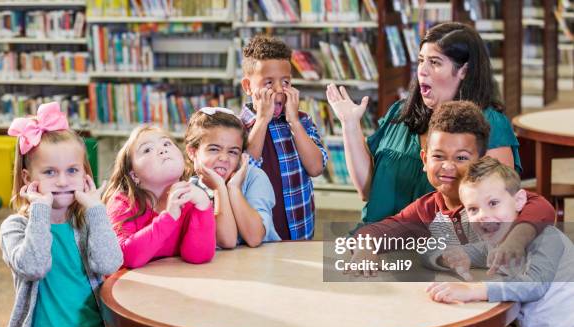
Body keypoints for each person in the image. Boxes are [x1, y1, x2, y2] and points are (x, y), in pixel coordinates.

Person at [346, 101, 554, 327]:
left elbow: (542, 208)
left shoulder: (498, 203)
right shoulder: (427, 209)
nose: (448, 166)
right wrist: (365, 247)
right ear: (424, 160)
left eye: (461, 158)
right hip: (447, 324)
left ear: (480, 163)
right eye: (438, 156)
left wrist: (515, 239)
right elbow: (378, 230)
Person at [326, 22, 521, 227]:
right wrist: (350, 125)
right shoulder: (400, 113)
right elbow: (366, 191)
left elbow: (501, 206)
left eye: (435, 62)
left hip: (445, 249)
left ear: (464, 70)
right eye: (421, 61)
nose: (422, 71)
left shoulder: (491, 124)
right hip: (379, 239)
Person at [0, 102, 142, 327]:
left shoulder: (88, 221)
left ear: (85, 175)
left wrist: (97, 210)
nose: (63, 181)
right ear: (28, 178)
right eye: (50, 172)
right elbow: (34, 266)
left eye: (73, 171)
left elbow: (110, 262)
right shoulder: (14, 227)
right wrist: (40, 209)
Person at [428, 156, 574, 327]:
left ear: (519, 201)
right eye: (473, 209)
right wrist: (446, 257)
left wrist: (475, 291)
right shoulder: (493, 243)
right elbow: (462, 254)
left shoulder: (547, 237)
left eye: (493, 203)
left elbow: (534, 285)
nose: (484, 215)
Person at [103, 125, 216, 327]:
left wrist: (203, 208)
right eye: (147, 149)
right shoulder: (123, 202)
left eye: (166, 143)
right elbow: (128, 257)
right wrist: (168, 218)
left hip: (180, 301)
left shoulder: (190, 194)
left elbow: (198, 256)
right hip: (132, 305)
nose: (162, 149)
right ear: (134, 175)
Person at [239, 34, 328, 240]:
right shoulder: (237, 127)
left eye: (286, 81)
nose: (279, 89)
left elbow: (316, 168)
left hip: (300, 230)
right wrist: (261, 120)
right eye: (269, 82)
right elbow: (243, 172)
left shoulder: (302, 121)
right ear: (247, 86)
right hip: (260, 235)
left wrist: (294, 122)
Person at [185, 107, 280, 249]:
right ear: (193, 152)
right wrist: (220, 188)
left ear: (242, 156)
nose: (224, 158)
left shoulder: (254, 178)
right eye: (214, 149)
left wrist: (234, 188)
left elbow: (254, 238)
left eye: (233, 152)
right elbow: (224, 241)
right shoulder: (191, 189)